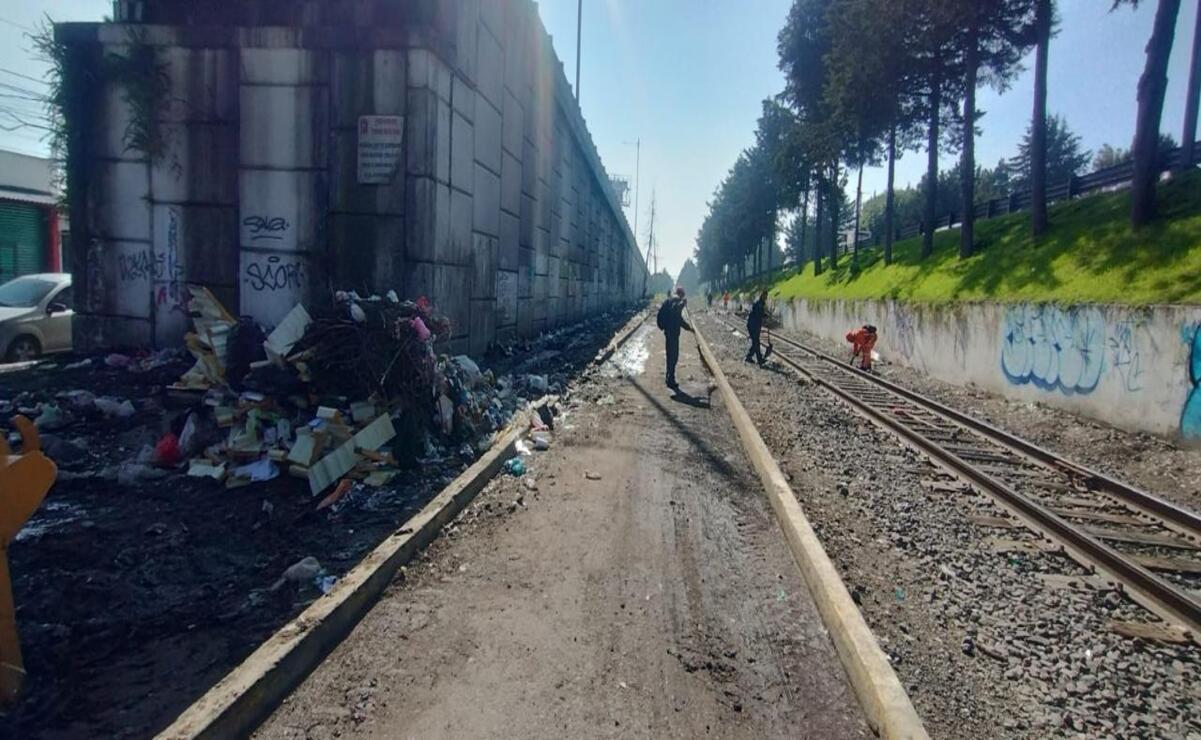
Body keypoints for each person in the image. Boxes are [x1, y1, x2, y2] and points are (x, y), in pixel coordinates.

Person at [656, 286, 693, 389]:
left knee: (670, 356)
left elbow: (679, 319)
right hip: (672, 333)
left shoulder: (671, 300)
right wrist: (682, 304)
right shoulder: (676, 300)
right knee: (673, 356)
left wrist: (688, 328)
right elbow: (674, 309)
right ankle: (670, 379)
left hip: (669, 333)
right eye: (682, 295)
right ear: (681, 294)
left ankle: (669, 377)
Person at [745, 291, 769, 365]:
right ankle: (758, 359)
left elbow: (759, 313)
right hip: (753, 325)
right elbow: (758, 314)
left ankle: (750, 357)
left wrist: (765, 315)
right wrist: (765, 316)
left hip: (754, 325)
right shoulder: (759, 304)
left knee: (755, 342)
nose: (766, 298)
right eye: (765, 296)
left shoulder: (760, 303)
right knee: (756, 342)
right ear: (762, 296)